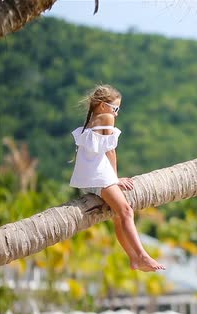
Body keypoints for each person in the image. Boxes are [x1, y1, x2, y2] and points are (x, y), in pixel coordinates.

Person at [70, 84, 165, 272]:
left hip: (89, 178)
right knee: (127, 212)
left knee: (118, 216)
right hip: (99, 176)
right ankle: (141, 255)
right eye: (116, 108)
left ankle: (134, 259)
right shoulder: (106, 117)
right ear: (104, 106)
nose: (117, 113)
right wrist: (115, 178)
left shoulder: (93, 119)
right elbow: (110, 151)